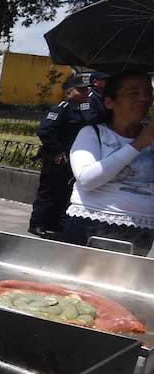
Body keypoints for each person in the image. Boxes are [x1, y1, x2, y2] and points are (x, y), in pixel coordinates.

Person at [60, 71, 154, 255]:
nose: (144, 99)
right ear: (110, 102)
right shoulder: (92, 133)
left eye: (149, 93)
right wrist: (138, 144)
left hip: (143, 231)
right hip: (93, 226)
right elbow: (86, 179)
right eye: (133, 93)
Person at [29, 73, 91, 237]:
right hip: (57, 159)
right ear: (69, 93)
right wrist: (58, 151)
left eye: (86, 90)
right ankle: (37, 223)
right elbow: (45, 131)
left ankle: (54, 223)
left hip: (72, 159)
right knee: (48, 192)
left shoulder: (83, 110)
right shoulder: (61, 109)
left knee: (64, 193)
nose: (86, 93)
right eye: (81, 90)